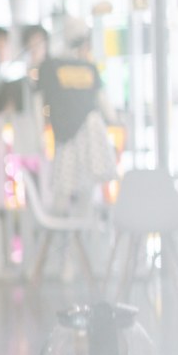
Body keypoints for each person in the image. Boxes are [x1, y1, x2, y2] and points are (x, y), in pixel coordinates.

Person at [38, 18, 117, 217]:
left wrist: (113, 118)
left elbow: (40, 102)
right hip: (74, 132)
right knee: (70, 187)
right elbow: (41, 102)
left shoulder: (55, 66)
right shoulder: (54, 66)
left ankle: (76, 235)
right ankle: (69, 234)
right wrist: (113, 119)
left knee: (77, 186)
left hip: (82, 130)